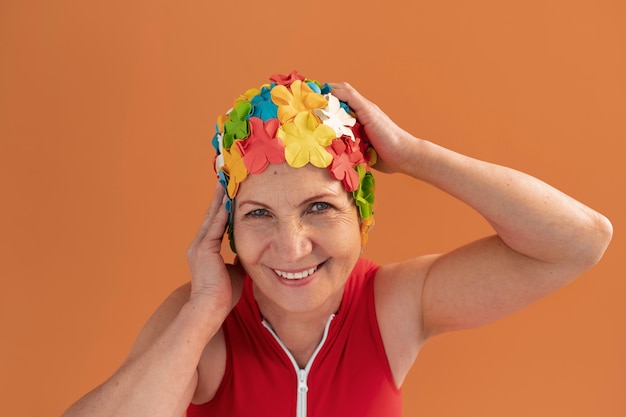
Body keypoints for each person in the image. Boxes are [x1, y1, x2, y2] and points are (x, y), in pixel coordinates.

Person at [61, 71, 613, 417]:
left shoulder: (393, 306)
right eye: (258, 215)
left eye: (318, 207)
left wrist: (413, 155)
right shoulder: (200, 322)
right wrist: (202, 313)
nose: (292, 246)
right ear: (227, 229)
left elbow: (579, 241)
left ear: (361, 217)